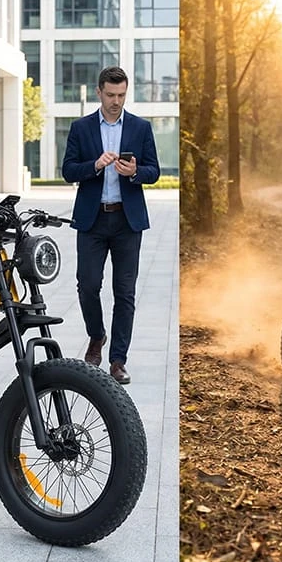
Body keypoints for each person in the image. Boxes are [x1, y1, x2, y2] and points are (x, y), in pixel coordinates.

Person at [62, 66, 160, 384]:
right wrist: (95, 165)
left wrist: (135, 171)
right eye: (111, 95)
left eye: (121, 95)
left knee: (125, 293)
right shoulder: (81, 127)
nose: (116, 101)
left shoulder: (141, 128)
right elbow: (68, 171)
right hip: (92, 219)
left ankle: (118, 360)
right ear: (99, 92)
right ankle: (96, 335)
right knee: (87, 285)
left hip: (126, 220)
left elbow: (154, 170)